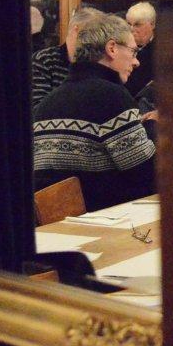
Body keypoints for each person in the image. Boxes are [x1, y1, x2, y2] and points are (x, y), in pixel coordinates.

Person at [32, 14, 156, 210]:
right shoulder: (112, 97)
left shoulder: (46, 104)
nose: (136, 62)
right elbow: (148, 177)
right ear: (112, 48)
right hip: (104, 221)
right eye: (133, 52)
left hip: (55, 226)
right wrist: (153, 125)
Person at [31, 5, 101, 108]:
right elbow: (38, 108)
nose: (99, 42)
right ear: (76, 30)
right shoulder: (43, 60)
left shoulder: (100, 61)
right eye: (96, 35)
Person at [123, 1, 157, 98]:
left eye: (137, 25)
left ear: (152, 24)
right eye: (129, 24)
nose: (131, 29)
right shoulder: (121, 46)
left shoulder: (161, 50)